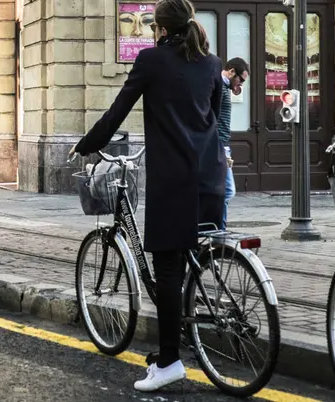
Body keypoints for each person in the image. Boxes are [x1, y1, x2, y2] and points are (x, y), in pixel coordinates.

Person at [70, 0, 225, 392]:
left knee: (168, 270)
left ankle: (170, 361)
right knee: (188, 256)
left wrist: (88, 144)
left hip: (171, 179)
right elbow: (215, 112)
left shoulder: (151, 60)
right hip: (209, 177)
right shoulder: (211, 62)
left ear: (160, 28)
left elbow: (118, 111)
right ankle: (187, 334)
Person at [217, 57, 249, 229]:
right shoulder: (219, 87)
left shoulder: (223, 88)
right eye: (241, 80)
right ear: (231, 72)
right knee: (227, 190)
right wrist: (220, 150)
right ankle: (219, 230)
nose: (241, 85)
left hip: (221, 145)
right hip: (219, 146)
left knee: (224, 190)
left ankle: (219, 228)